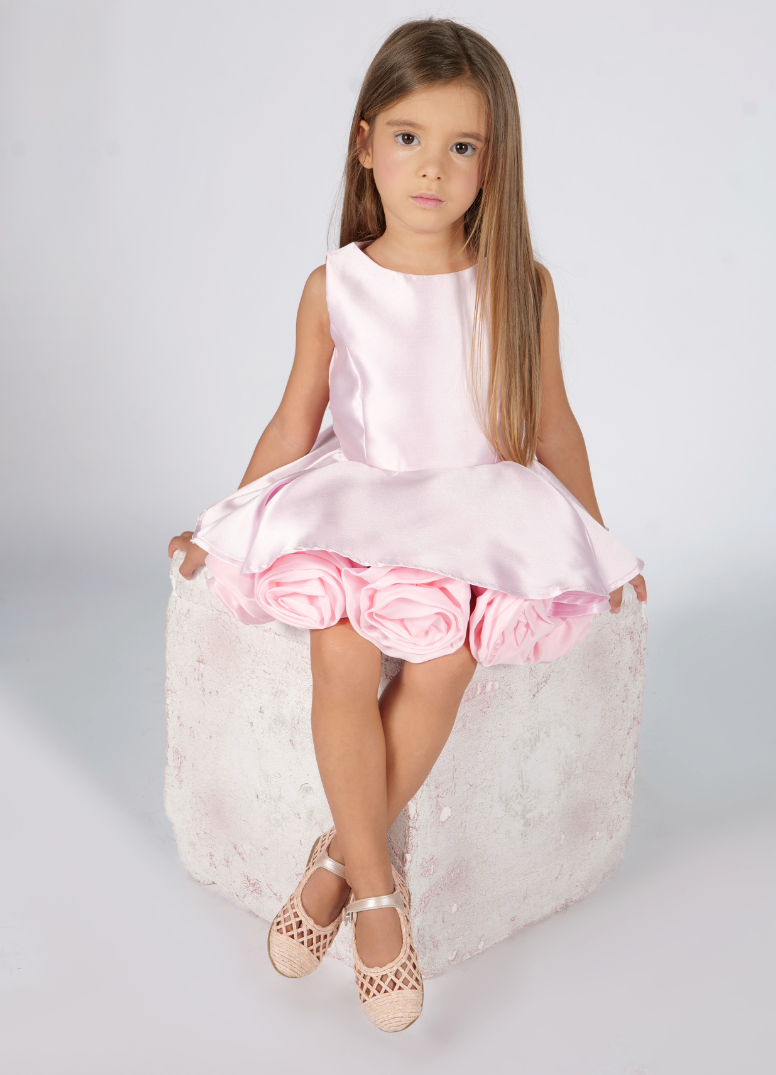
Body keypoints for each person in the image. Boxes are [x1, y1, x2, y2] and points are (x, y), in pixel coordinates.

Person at [168, 17, 646, 1033]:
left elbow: (551, 423)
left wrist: (598, 545)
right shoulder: (335, 285)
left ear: (493, 162)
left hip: (472, 506)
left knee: (445, 657)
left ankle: (338, 864)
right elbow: (293, 419)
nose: (432, 167)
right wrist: (222, 523)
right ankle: (381, 898)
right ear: (364, 145)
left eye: (462, 145)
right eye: (408, 138)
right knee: (339, 649)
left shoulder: (519, 286)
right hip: (357, 497)